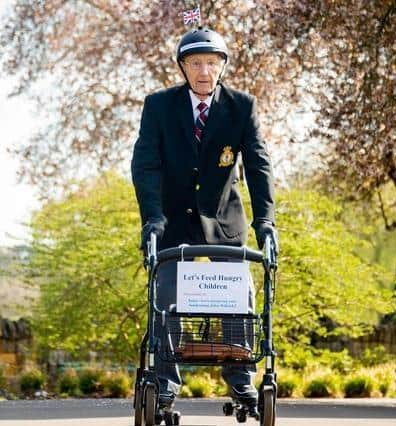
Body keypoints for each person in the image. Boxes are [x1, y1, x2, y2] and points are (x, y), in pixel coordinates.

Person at [131, 27, 278, 418]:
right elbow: (144, 166)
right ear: (183, 67)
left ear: (222, 67)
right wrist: (152, 220)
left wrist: (266, 222)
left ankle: (242, 382)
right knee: (166, 300)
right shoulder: (159, 107)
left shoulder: (242, 107)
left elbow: (260, 168)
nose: (204, 71)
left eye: (212, 63)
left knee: (239, 300)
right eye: (196, 63)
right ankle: (164, 386)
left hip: (225, 221)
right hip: (172, 220)